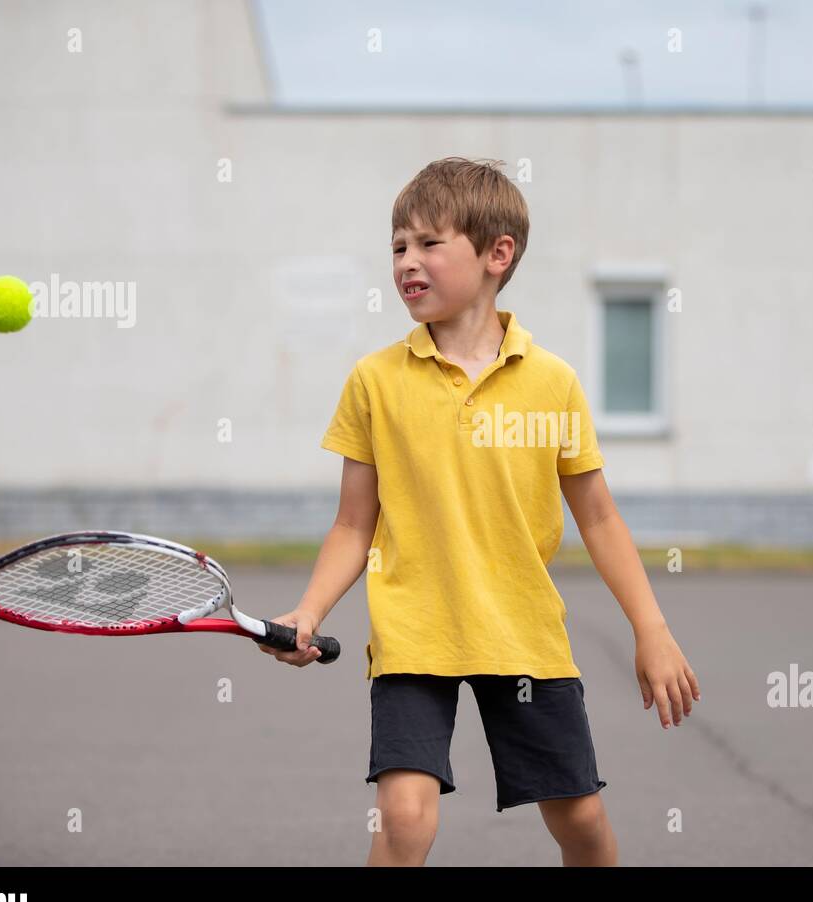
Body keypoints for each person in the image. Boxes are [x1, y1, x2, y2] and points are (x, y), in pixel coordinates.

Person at [260, 156, 700, 866]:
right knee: (404, 818)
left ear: (498, 255)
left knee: (580, 816)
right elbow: (352, 524)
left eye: (430, 243)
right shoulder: (374, 381)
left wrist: (652, 630)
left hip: (522, 632)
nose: (408, 260)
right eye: (398, 245)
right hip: (415, 634)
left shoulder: (552, 382)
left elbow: (599, 518)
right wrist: (308, 612)